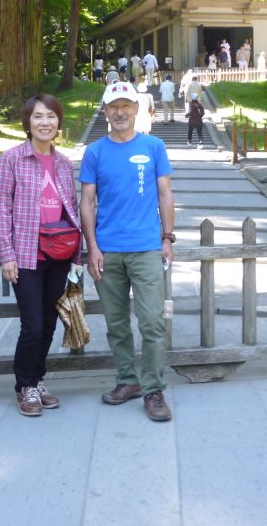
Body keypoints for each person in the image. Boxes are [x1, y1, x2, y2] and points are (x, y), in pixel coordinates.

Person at [80, 81, 175, 422]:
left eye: (126, 106)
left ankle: (153, 389)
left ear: (137, 109)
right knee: (116, 323)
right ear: (104, 111)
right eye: (113, 106)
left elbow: (165, 194)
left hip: (147, 248)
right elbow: (87, 201)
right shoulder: (95, 152)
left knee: (152, 322)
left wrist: (167, 238)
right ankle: (126, 380)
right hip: (108, 250)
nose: (120, 112)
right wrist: (92, 247)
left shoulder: (154, 146)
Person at [0, 95, 81, 418]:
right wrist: (7, 253)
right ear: (27, 122)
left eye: (51, 117)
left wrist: (77, 254)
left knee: (49, 321)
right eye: (37, 117)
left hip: (59, 252)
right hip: (26, 253)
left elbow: (69, 209)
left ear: (58, 123)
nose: (44, 123)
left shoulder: (62, 162)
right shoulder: (13, 158)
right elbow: (2, 208)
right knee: (32, 323)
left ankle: (38, 378)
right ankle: (23, 385)